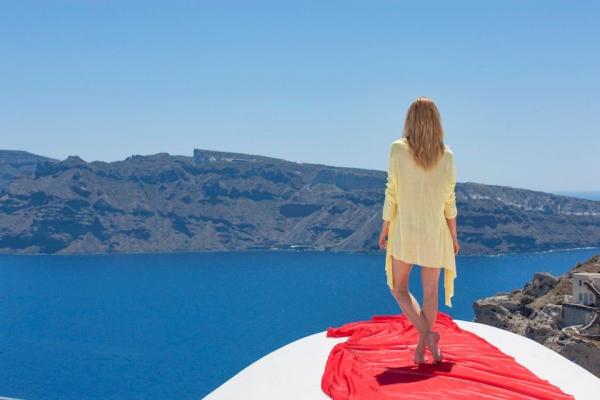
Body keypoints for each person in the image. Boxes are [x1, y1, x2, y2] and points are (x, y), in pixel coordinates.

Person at [378, 96, 459, 365]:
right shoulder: (446, 155)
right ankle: (427, 345)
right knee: (430, 291)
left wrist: (385, 226)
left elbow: (392, 192)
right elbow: (449, 199)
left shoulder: (398, 149)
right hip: (435, 231)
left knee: (398, 288)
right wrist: (454, 236)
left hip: (406, 230)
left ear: (410, 120)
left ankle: (425, 338)